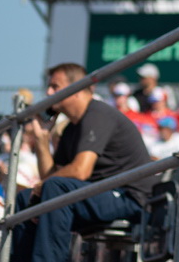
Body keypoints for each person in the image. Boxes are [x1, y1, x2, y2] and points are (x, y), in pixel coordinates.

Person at [10, 63, 155, 262]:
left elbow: (80, 171)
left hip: (129, 197)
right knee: (25, 199)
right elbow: (50, 177)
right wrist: (42, 140)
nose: (48, 92)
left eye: (55, 87)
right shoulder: (71, 128)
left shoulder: (97, 114)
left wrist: (44, 185)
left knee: (55, 188)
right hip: (98, 194)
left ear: (77, 88)